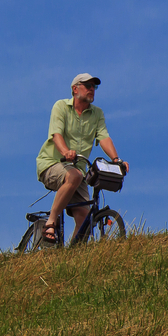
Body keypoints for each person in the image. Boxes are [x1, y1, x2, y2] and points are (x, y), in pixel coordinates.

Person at [36, 73, 130, 246]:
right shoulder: (61, 107)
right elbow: (56, 135)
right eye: (88, 86)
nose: (92, 90)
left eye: (94, 87)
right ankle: (50, 222)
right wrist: (65, 152)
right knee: (75, 176)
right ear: (75, 89)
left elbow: (104, 138)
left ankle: (72, 255)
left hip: (77, 170)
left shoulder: (97, 114)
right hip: (52, 164)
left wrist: (117, 159)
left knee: (85, 218)